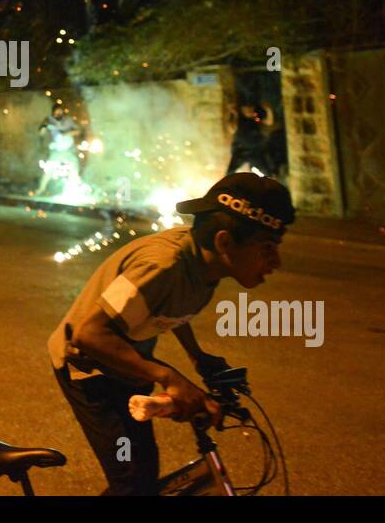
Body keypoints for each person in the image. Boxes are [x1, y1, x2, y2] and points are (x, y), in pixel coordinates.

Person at [47, 172, 295, 495]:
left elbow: (168, 307)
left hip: (126, 363)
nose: (276, 261)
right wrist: (171, 377)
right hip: (88, 369)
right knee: (133, 479)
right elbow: (90, 334)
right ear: (224, 242)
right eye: (267, 248)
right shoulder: (161, 266)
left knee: (142, 475)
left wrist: (197, 357)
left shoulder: (208, 264)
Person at [35, 105, 81, 195]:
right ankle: (41, 189)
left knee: (74, 168)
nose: (59, 114)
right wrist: (45, 125)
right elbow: (41, 132)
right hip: (56, 151)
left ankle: (73, 190)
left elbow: (78, 131)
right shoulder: (49, 120)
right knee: (48, 170)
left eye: (60, 112)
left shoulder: (69, 120)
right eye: (56, 113)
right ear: (53, 113)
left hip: (68, 150)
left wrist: (67, 133)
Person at [225, 101, 274, 176]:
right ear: (242, 110)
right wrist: (233, 114)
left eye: (251, 109)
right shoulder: (239, 120)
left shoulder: (257, 118)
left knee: (267, 173)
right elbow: (231, 128)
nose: (249, 111)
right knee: (230, 173)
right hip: (241, 151)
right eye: (246, 109)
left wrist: (268, 110)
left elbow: (269, 122)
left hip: (256, 151)